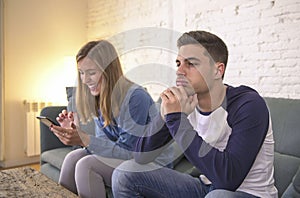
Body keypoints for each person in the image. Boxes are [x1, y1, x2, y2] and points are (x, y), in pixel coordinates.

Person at [112, 30, 278, 198]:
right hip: (205, 188)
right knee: (126, 173)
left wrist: (177, 120)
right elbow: (140, 157)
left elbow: (228, 180)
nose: (179, 71)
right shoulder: (185, 101)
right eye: (178, 63)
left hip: (249, 194)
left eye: (190, 64)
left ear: (217, 70)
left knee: (218, 196)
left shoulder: (248, 105)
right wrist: (165, 116)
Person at [50, 40, 173, 198]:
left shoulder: (135, 97)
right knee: (73, 157)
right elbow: (105, 145)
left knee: (86, 165)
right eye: (81, 72)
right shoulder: (100, 98)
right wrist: (76, 135)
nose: (85, 79)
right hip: (127, 159)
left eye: (91, 72)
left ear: (109, 70)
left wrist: (85, 140)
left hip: (151, 165)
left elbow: (130, 153)